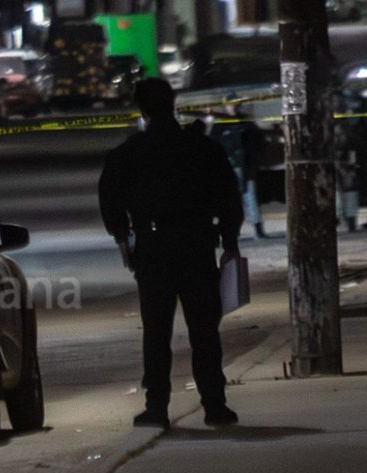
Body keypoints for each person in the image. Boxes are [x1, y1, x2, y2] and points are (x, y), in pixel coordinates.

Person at [99, 78, 244, 429]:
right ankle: (214, 404)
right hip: (196, 245)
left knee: (156, 333)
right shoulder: (201, 148)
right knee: (205, 330)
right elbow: (228, 197)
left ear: (142, 110)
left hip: (153, 249)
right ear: (173, 103)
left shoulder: (129, 153)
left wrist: (124, 240)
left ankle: (157, 407)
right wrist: (229, 242)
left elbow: (110, 199)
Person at [208, 93, 267, 238]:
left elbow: (258, 140)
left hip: (245, 165)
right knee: (230, 201)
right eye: (230, 104)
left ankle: (257, 229)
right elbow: (213, 145)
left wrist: (253, 157)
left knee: (250, 197)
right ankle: (231, 230)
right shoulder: (220, 124)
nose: (233, 106)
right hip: (229, 167)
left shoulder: (245, 122)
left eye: (235, 103)